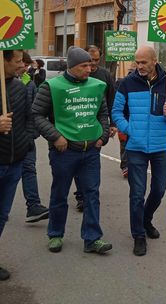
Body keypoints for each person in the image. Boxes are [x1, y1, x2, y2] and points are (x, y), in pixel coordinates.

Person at [32, 47, 112, 255]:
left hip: (91, 151)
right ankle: (55, 234)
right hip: (64, 152)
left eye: (90, 65)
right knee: (60, 193)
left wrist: (103, 136)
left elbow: (103, 113)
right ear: (71, 66)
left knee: (92, 194)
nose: (89, 68)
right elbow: (37, 115)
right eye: (84, 65)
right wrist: (55, 136)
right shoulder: (52, 86)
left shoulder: (97, 86)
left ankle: (92, 238)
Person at [112, 45, 166, 256]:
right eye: (137, 62)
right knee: (136, 194)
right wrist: (129, 130)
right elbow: (116, 111)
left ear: (155, 61)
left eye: (143, 62)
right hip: (136, 148)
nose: (139, 66)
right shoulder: (127, 83)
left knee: (159, 189)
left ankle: (146, 219)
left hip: (162, 147)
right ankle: (138, 235)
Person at [0, 50, 34, 280]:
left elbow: (29, 118)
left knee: (2, 215)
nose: (22, 65)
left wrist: (26, 141)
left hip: (14, 163)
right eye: (18, 61)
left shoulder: (20, 87)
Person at [72, 45, 118, 210]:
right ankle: (81, 194)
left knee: (91, 160)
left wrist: (112, 123)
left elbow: (112, 98)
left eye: (96, 61)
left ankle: (89, 193)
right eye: (89, 62)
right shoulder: (76, 75)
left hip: (97, 124)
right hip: (77, 124)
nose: (92, 66)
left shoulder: (104, 74)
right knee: (77, 160)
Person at [18, 52, 49, 223]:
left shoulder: (28, 84)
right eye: (21, 63)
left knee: (29, 169)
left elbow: (34, 111)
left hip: (25, 137)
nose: (24, 67)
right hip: (6, 139)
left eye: (25, 64)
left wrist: (31, 134)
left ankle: (33, 206)